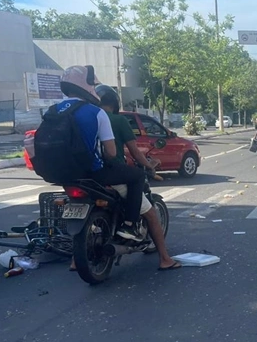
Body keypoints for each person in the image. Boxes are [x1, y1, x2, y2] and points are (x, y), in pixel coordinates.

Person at [55, 65, 145, 242]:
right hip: (92, 174)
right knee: (137, 176)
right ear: (87, 87)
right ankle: (130, 225)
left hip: (63, 173)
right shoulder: (96, 112)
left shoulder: (53, 110)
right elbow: (111, 153)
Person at [95, 85, 180, 271]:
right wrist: (149, 165)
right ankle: (163, 257)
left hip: (88, 176)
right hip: (112, 174)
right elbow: (134, 150)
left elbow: (112, 147)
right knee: (150, 212)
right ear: (114, 103)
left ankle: (76, 260)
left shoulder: (86, 118)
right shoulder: (117, 120)